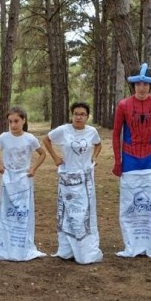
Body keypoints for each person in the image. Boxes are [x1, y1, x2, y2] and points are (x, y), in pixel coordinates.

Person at [111, 63, 151, 259]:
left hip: (150, 158)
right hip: (130, 158)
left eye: (145, 84)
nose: (142, 88)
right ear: (133, 86)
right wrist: (118, 161)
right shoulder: (123, 105)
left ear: (150, 86)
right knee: (130, 203)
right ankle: (132, 243)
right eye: (138, 84)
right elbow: (116, 133)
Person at [43, 101, 103, 264]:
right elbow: (46, 140)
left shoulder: (92, 132)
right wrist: (55, 157)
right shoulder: (63, 130)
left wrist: (94, 157)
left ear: (87, 116)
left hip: (85, 179)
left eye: (82, 114)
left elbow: (98, 145)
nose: (79, 117)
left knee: (83, 214)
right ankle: (66, 249)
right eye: (76, 113)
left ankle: (84, 248)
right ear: (72, 115)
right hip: (67, 177)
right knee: (68, 214)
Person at [0, 106, 46, 261]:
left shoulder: (30, 138)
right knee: (7, 209)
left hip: (24, 178)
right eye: (10, 122)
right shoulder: (4, 137)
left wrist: (33, 168)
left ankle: (21, 242)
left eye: (16, 121)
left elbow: (42, 154)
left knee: (23, 210)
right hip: (8, 178)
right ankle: (5, 242)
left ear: (23, 121)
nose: (13, 125)